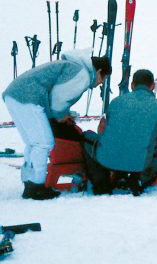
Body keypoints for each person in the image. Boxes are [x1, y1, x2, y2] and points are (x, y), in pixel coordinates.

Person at [1, 53, 110, 199]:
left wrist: (61, 115)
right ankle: (36, 187)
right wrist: (61, 115)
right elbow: (58, 98)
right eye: (103, 78)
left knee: (33, 143)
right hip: (29, 97)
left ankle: (29, 183)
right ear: (98, 71)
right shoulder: (83, 74)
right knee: (44, 143)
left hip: (15, 95)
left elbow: (55, 94)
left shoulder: (75, 67)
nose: (101, 83)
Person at [84, 68, 157, 194]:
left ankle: (101, 181)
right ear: (152, 86)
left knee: (86, 137)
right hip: (140, 162)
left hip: (107, 159)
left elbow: (104, 130)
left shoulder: (116, 102)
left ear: (132, 85)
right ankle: (138, 179)